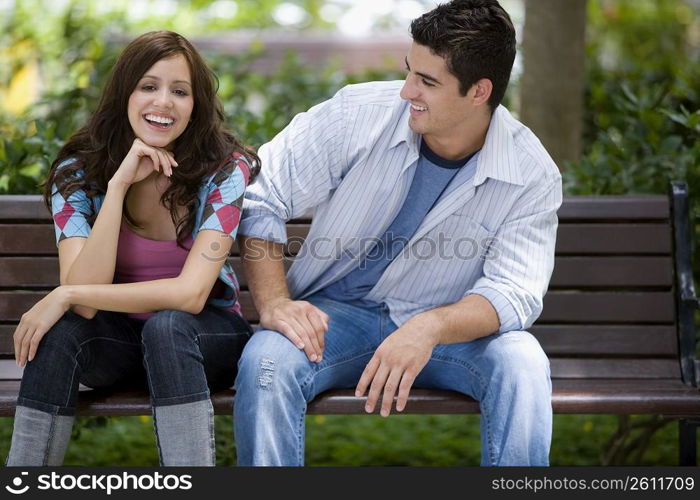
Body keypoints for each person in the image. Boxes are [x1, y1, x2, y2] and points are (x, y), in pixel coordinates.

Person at [233, 0, 562, 466]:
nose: (407, 91)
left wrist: (429, 327)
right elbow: (262, 193)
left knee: (523, 362)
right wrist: (274, 303)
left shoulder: (532, 174)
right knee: (267, 360)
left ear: (478, 92)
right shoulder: (356, 114)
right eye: (410, 71)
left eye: (428, 82)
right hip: (335, 318)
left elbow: (514, 293)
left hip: (448, 331)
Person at [6, 30, 259, 466]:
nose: (163, 102)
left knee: (167, 326)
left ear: (194, 105)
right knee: (62, 333)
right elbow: (87, 304)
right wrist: (120, 185)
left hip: (202, 341)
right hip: (118, 345)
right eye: (148, 86)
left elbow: (190, 294)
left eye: (179, 91)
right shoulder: (79, 172)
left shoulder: (223, 169)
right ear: (125, 94)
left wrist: (64, 293)